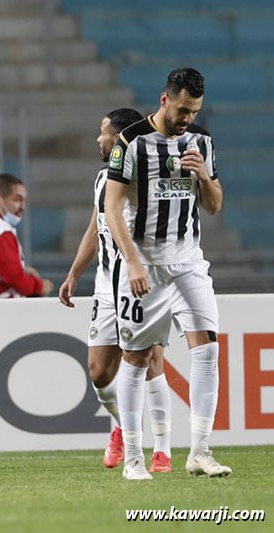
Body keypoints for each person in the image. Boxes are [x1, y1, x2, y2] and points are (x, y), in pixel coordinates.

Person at [105, 67, 230, 480]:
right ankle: (135, 458)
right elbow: (112, 207)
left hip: (189, 262)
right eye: (181, 109)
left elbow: (213, 205)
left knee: (208, 349)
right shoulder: (132, 142)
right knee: (136, 359)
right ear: (164, 100)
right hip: (145, 266)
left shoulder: (201, 142)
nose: (186, 119)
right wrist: (134, 261)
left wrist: (204, 175)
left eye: (193, 111)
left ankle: (200, 450)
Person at [58, 108, 173, 474]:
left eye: (103, 132)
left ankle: (162, 450)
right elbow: (95, 229)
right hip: (107, 286)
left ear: (122, 137)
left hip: (144, 282)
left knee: (149, 361)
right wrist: (75, 273)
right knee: (98, 372)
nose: (98, 139)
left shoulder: (152, 177)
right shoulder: (102, 179)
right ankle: (124, 425)